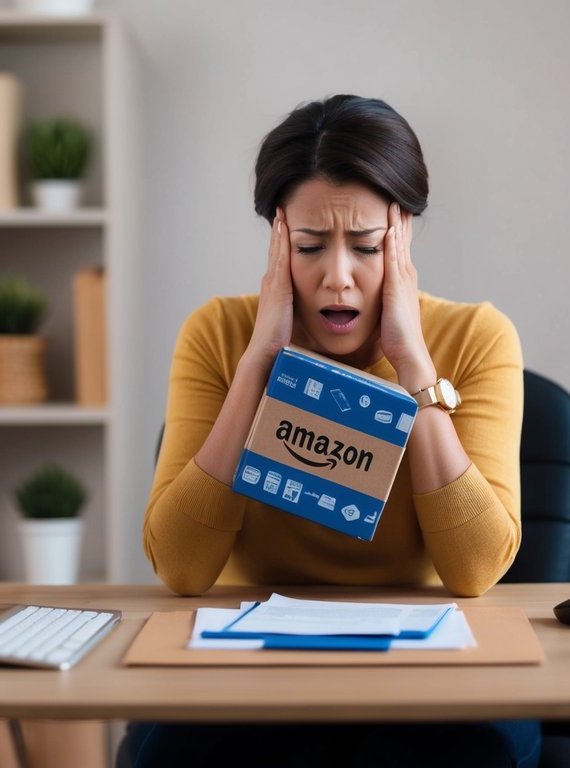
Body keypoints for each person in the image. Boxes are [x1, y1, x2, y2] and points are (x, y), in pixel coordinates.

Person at [127, 95, 535, 768]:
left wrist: (413, 366)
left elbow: (474, 570)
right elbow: (180, 568)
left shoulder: (476, 339)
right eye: (309, 247)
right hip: (253, 670)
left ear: (404, 235)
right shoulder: (218, 334)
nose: (336, 277)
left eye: (368, 247)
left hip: (430, 672)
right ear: (275, 239)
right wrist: (258, 362)